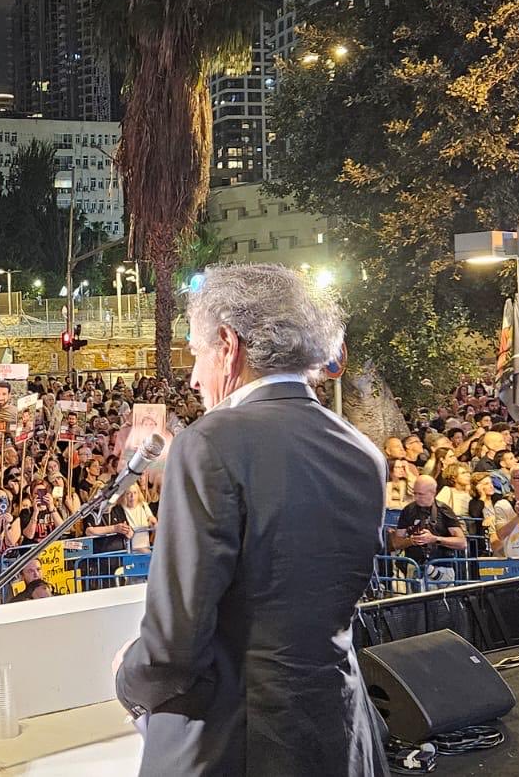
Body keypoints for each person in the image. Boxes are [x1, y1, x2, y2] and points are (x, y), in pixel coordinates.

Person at [113, 264, 387, 776]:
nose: (193, 377)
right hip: (339, 733)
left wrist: (129, 678)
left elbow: (175, 643)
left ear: (227, 343)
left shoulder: (211, 442)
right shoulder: (364, 453)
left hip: (235, 741)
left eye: (196, 353)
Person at [390, 476, 468, 581]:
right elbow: (396, 543)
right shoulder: (408, 511)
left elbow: (462, 543)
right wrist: (411, 541)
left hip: (442, 567)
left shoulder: (444, 510)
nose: (416, 497)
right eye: (415, 493)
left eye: (421, 494)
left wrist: (434, 539)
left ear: (433, 493)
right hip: (415, 567)